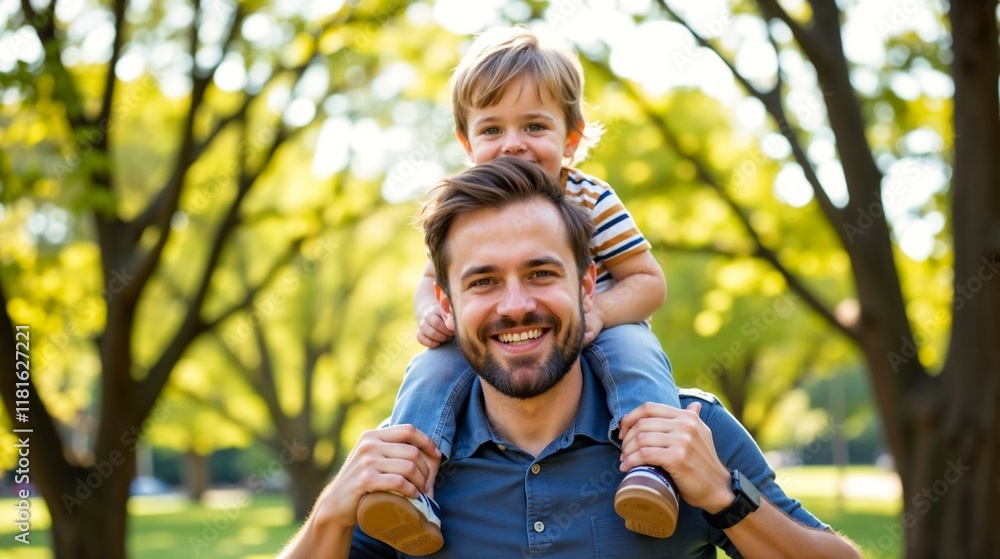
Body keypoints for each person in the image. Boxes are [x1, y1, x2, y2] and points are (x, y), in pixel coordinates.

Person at [278, 157, 862, 558]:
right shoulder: (402, 466)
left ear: (587, 288)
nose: (516, 305)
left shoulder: (687, 433)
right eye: (482, 282)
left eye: (540, 273)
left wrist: (725, 497)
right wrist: (331, 512)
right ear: (445, 304)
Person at [363, 26, 682, 554]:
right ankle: (409, 487)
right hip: (502, 341)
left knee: (636, 356)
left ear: (571, 137)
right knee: (430, 368)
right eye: (492, 129)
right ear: (467, 144)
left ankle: (654, 472)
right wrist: (431, 316)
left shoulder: (591, 198)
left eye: (534, 125)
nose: (512, 143)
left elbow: (648, 281)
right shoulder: (463, 212)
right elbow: (431, 285)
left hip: (597, 325)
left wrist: (598, 311)